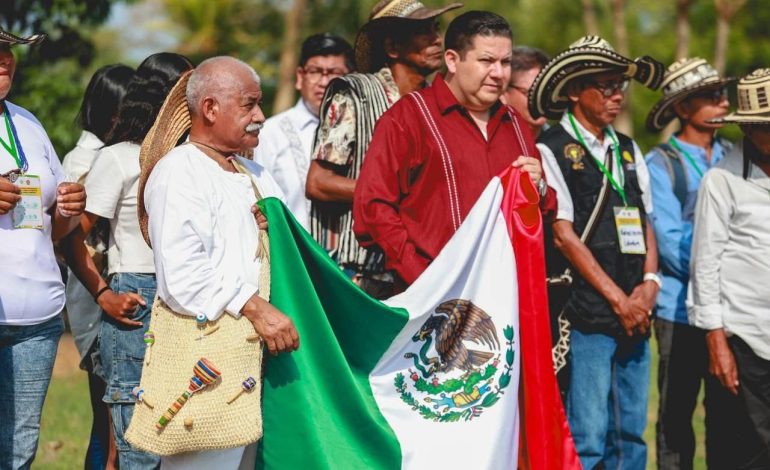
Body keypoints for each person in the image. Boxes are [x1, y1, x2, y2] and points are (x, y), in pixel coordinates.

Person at [140, 56, 299, 469]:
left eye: (259, 104)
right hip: (210, 358)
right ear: (210, 108)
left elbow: (291, 247)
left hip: (259, 357)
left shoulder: (254, 172)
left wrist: (277, 226)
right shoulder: (179, 172)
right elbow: (181, 276)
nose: (260, 117)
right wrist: (255, 307)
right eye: (249, 105)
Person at [529, 36, 664, 469]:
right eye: (604, 86)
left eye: (618, 85)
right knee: (587, 432)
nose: (616, 94)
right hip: (588, 308)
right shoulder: (550, 148)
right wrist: (617, 299)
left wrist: (649, 284)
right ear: (573, 91)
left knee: (630, 432)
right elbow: (563, 235)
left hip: (636, 308)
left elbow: (645, 219)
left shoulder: (626, 146)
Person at [352, 11, 555, 290]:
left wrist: (540, 188)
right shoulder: (409, 117)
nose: (498, 73)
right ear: (452, 60)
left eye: (505, 62)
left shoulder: (516, 125)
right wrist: (424, 278)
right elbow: (373, 208)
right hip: (429, 304)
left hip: (505, 300)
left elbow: (547, 210)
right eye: (486, 61)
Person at [61, 52, 193, 469]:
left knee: (180, 435)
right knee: (135, 441)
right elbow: (70, 238)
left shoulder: (192, 159)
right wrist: (103, 295)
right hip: (135, 297)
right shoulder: (117, 157)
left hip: (187, 300)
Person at [305, 0, 461, 298]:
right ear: (392, 47)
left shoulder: (437, 104)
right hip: (356, 272)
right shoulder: (355, 94)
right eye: (422, 30)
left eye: (436, 28)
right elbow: (318, 182)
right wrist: (394, 196)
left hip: (420, 269)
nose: (437, 39)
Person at [644, 57, 738, 470]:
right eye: (710, 96)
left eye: (722, 94)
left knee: (728, 414)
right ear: (683, 108)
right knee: (676, 415)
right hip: (678, 309)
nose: (722, 103)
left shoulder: (737, 155)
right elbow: (669, 239)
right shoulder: (660, 164)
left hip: (728, 310)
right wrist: (726, 269)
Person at [0, 29, 86, 469]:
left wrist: (70, 208)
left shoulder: (27, 123)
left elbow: (52, 230)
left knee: (18, 447)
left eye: (7, 51)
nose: (3, 61)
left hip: (36, 317)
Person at [689, 68, 770, 469]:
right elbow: (705, 264)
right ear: (750, 130)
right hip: (745, 337)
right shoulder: (720, 182)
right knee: (748, 449)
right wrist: (716, 341)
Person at [61, 63, 134, 470]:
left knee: (113, 422)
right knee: (107, 426)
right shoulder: (85, 161)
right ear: (113, 113)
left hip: (105, 293)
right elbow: (74, 238)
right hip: (97, 294)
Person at [255, 33, 352, 229]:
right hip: (296, 255)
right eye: (315, 71)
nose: (324, 82)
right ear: (300, 77)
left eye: (334, 72)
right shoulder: (270, 134)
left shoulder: (365, 130)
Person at [500, 45, 549, 137]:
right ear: (503, 93)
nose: (541, 101)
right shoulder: (491, 141)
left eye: (546, 92)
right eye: (531, 93)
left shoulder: (559, 145)